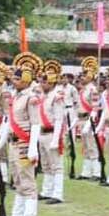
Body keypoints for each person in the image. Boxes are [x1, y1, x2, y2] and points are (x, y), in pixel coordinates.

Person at [1, 52, 44, 216]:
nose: (13, 82)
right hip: (14, 143)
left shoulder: (31, 98)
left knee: (28, 182)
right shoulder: (15, 97)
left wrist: (33, 147)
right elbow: (8, 121)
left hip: (25, 143)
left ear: (26, 81)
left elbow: (35, 123)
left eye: (17, 80)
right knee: (18, 180)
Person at [38, 60, 67, 204]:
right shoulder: (43, 96)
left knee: (56, 165)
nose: (42, 85)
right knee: (46, 165)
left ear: (51, 83)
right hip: (42, 133)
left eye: (44, 82)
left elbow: (59, 119)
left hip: (51, 134)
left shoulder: (57, 97)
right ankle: (46, 191)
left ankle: (57, 193)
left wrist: (56, 139)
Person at [77, 58, 102, 180]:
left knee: (92, 146)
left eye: (85, 75)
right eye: (82, 75)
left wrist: (89, 123)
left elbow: (95, 107)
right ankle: (86, 172)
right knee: (86, 147)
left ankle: (96, 172)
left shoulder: (92, 89)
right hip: (81, 119)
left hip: (89, 120)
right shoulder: (83, 89)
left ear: (91, 76)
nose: (82, 77)